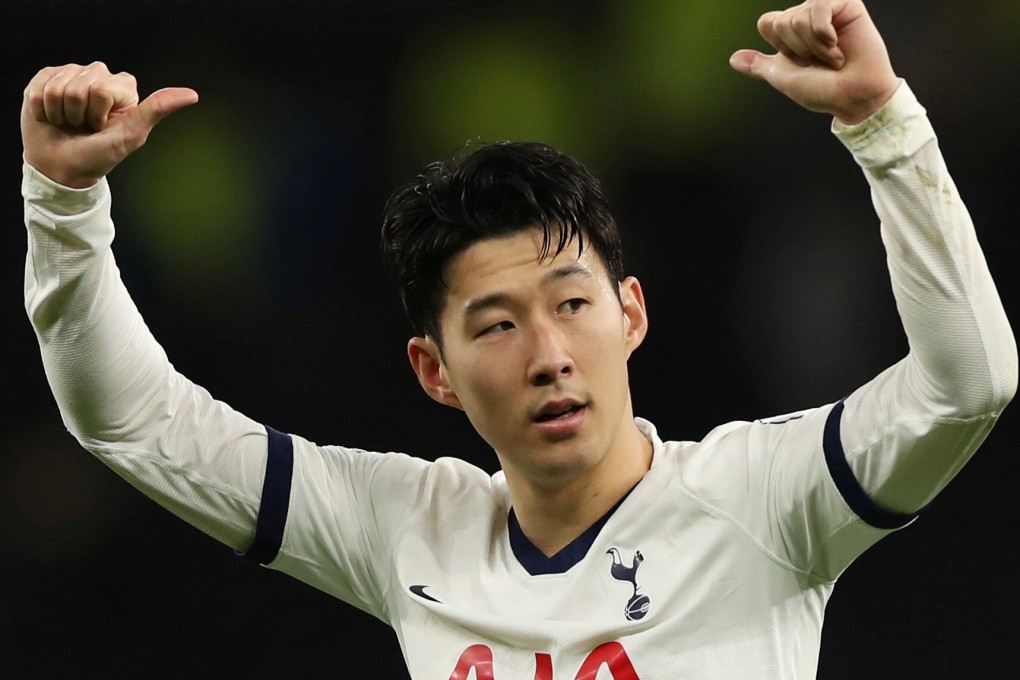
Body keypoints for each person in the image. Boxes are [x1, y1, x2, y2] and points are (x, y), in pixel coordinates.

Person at [20, 0, 1016, 677]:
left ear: (631, 313)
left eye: (572, 303)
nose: (547, 352)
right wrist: (62, 204)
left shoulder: (763, 496)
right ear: (434, 370)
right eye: (495, 323)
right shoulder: (407, 525)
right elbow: (134, 419)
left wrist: (885, 125)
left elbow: (965, 385)